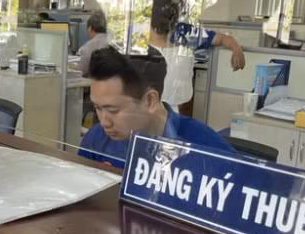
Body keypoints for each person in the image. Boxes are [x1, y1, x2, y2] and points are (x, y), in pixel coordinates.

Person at [78, 47, 236, 167]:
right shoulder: (96, 140)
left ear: (150, 101)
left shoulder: (204, 148)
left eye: (113, 110)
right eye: (97, 108)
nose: (104, 121)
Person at [149, 0, 245, 109]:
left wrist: (236, 49)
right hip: (146, 108)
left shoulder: (184, 32)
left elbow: (222, 38)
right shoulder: (142, 33)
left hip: (173, 108)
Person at [77, 10, 110, 77]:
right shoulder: (113, 43)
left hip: (95, 85)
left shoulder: (88, 47)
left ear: (90, 29)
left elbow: (83, 70)